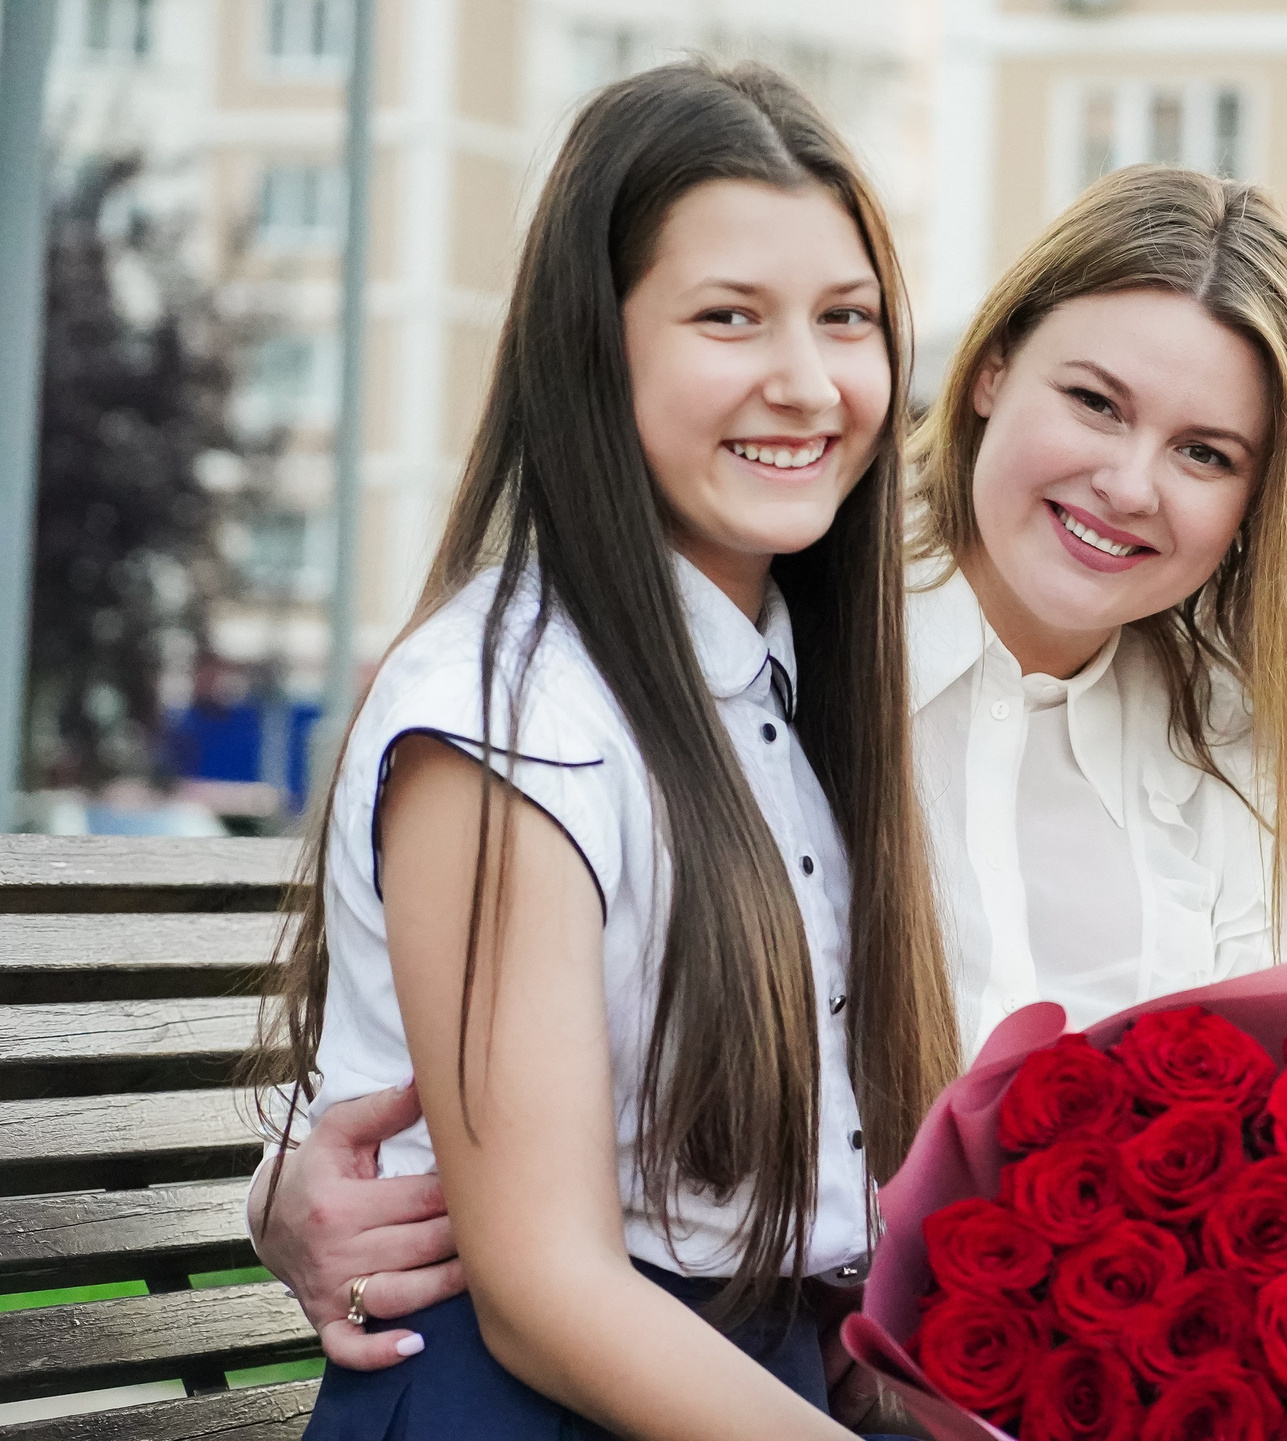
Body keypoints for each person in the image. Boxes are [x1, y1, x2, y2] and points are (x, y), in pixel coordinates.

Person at [251, 164, 1287, 1438]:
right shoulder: (797, 652)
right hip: (803, 1368)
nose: (1129, 484)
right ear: (990, 369)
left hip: (1085, 1377)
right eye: (1094, 403)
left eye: (1206, 453)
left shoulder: (1233, 729)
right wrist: (283, 1195)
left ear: (1262, 494)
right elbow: (510, 1054)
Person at [242, 63, 948, 1438]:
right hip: (533, 1397)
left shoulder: (782, 692)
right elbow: (547, 1290)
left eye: (845, 318)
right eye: (729, 316)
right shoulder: (508, 711)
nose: (806, 382)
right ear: (593, 347)